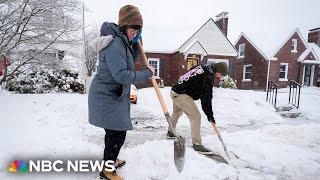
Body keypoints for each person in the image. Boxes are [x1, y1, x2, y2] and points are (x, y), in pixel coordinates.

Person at [88, 5, 153, 180]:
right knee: (117, 132)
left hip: (112, 95)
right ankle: (107, 171)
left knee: (114, 132)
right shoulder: (115, 44)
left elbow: (127, 64)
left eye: (138, 30)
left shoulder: (123, 43)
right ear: (124, 26)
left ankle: (111, 160)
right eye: (133, 29)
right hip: (106, 95)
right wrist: (146, 75)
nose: (135, 33)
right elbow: (122, 75)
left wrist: (136, 48)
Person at [167, 62, 228, 153]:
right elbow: (206, 99)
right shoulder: (208, 76)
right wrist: (210, 116)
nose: (221, 77)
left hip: (176, 90)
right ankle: (197, 144)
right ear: (218, 71)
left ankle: (171, 131)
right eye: (222, 74)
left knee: (177, 112)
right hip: (181, 94)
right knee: (195, 116)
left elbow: (192, 71)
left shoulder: (204, 67)